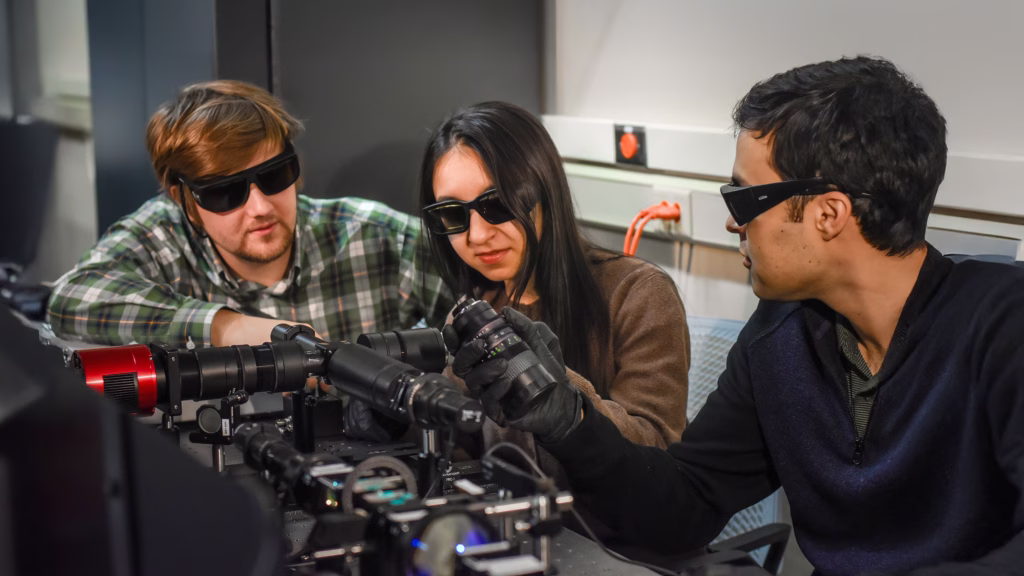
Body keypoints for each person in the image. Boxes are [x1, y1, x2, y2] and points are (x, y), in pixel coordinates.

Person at [449, 57, 1024, 575]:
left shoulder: (1004, 324)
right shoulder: (781, 336)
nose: (732, 223)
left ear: (828, 213)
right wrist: (570, 420)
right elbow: (682, 510)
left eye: (745, 199)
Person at [47, 80, 453, 349]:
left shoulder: (374, 237)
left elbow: (492, 299)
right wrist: (227, 327)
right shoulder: (164, 237)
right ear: (184, 199)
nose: (260, 207)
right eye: (225, 192)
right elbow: (70, 299)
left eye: (275, 175)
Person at [418, 101, 689, 477]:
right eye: (452, 213)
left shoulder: (639, 295)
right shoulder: (477, 310)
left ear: (544, 191)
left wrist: (559, 395)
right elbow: (464, 451)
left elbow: (655, 451)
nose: (478, 235)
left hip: (610, 534)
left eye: (497, 204)